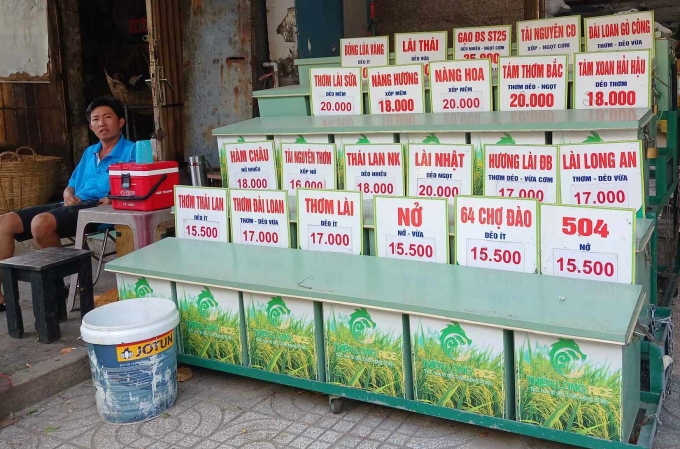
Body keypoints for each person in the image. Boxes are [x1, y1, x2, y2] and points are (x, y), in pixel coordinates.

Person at [0, 98, 135, 308]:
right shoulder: (90, 152)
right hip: (72, 203)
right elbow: (72, 183)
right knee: (5, 222)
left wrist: (116, 196)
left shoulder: (132, 151)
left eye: (107, 117)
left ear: (121, 122)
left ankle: (57, 284)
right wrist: (67, 193)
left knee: (40, 223)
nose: (102, 123)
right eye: (96, 119)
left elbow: (138, 184)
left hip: (99, 208)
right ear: (91, 126)